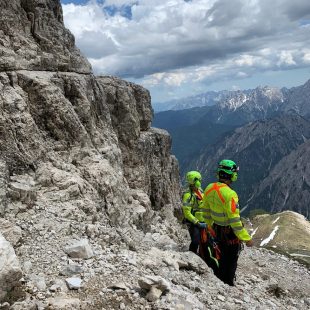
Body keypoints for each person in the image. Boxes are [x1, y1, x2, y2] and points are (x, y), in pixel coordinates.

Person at [201, 159, 253, 286]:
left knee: (220, 255)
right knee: (231, 258)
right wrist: (246, 238)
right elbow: (235, 220)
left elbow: (205, 211)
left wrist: (209, 227)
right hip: (229, 233)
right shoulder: (230, 194)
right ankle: (228, 283)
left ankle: (218, 279)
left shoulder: (209, 188)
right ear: (232, 175)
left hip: (215, 229)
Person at [182, 171, 207, 254]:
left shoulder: (200, 191)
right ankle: (191, 256)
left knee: (204, 241)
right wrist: (197, 222)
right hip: (194, 223)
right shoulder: (188, 195)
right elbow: (186, 213)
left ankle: (201, 256)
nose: (200, 181)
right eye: (199, 180)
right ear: (196, 181)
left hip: (203, 221)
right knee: (196, 241)